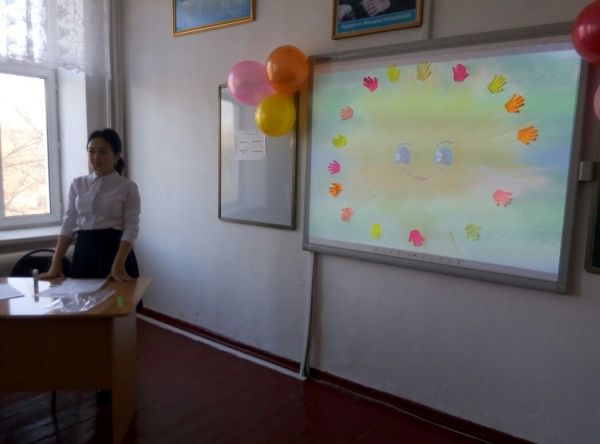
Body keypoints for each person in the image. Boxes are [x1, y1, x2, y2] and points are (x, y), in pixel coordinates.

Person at [40, 128, 141, 283]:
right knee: (82, 296)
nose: (96, 157)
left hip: (115, 253)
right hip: (84, 252)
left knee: (118, 298)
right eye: (91, 151)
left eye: (103, 152)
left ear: (116, 155)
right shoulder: (78, 184)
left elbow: (131, 227)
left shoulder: (127, 187)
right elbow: (69, 223)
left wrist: (118, 264)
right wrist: (56, 262)